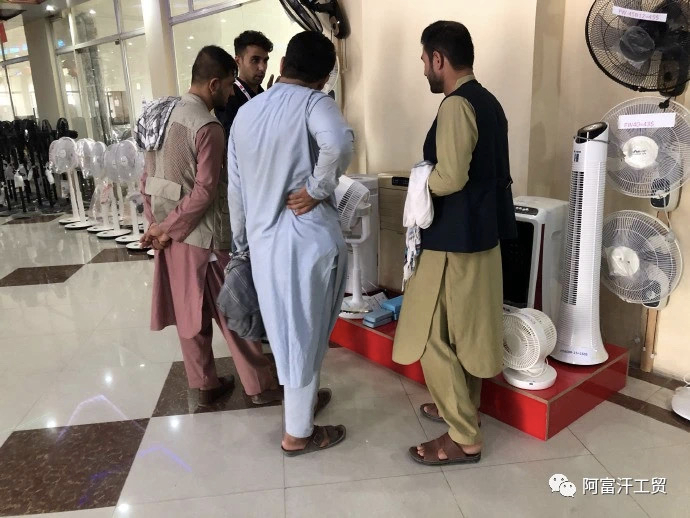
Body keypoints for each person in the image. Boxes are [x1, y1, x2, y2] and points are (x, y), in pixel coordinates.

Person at [393, 21, 517, 465]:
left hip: (451, 243)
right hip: (483, 237)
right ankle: (463, 409)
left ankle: (464, 437)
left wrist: (417, 180)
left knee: (428, 333)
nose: (424, 69)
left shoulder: (455, 105)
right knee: (466, 333)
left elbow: (450, 177)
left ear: (439, 59)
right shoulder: (490, 103)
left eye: (425, 60)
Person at [228, 31, 353, 455]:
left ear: (282, 64)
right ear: (323, 77)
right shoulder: (315, 103)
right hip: (306, 243)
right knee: (304, 333)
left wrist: (241, 244)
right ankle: (297, 434)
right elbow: (339, 143)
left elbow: (236, 190)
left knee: (289, 332)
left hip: (264, 246)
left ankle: (304, 404)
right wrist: (318, 189)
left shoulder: (246, 113)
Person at [138, 45, 280, 407]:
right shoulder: (208, 126)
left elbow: (146, 178)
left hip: (170, 237)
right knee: (234, 309)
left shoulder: (158, 113)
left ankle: (204, 385)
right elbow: (204, 191)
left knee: (190, 312)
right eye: (230, 85)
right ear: (214, 84)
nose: (232, 93)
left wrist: (156, 226)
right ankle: (260, 387)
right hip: (205, 236)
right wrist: (168, 228)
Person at [217, 30, 275, 136]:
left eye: (265, 61)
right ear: (238, 61)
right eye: (255, 60)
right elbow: (230, 139)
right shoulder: (228, 97)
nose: (262, 67)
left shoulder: (264, 94)